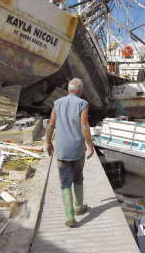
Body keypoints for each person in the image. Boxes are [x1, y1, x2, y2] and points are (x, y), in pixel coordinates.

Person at [45, 78, 95, 227]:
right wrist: (90, 146)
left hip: (61, 149)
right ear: (79, 90)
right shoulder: (82, 103)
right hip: (78, 149)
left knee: (65, 181)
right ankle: (79, 207)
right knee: (78, 177)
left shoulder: (57, 103)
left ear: (68, 90)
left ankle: (70, 217)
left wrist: (48, 142)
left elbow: (51, 124)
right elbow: (84, 126)